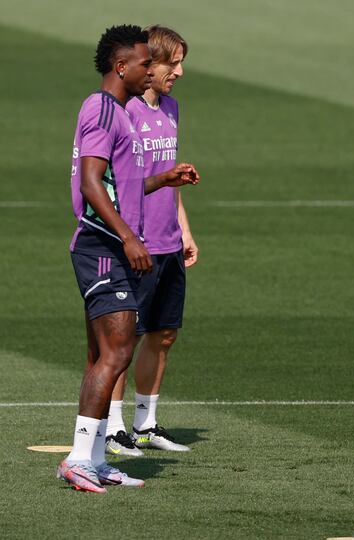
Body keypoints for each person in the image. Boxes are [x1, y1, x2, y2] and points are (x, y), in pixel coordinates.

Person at [57, 24, 199, 493]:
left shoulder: (117, 114)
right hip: (103, 248)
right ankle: (79, 458)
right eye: (144, 63)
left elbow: (122, 183)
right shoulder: (100, 108)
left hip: (114, 246)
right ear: (122, 66)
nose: (151, 71)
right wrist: (129, 238)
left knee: (104, 353)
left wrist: (163, 181)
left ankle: (94, 459)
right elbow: (92, 184)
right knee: (116, 350)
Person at [105, 25, 198, 457]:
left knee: (163, 335)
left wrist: (185, 228)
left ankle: (146, 424)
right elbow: (117, 182)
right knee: (124, 337)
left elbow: (168, 178)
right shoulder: (122, 112)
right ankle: (112, 428)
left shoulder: (172, 108)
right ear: (149, 63)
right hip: (134, 243)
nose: (178, 71)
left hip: (168, 241)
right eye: (172, 63)